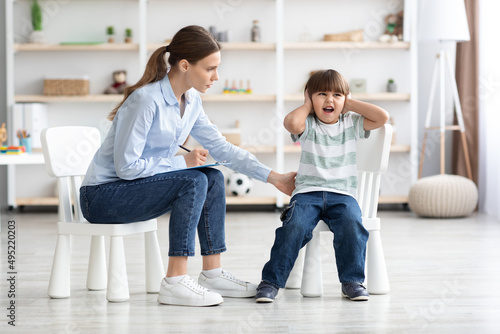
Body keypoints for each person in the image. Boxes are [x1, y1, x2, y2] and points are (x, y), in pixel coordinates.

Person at [79, 25, 296, 307]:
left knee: (213, 177)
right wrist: (181, 162)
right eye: (210, 69)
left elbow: (223, 149)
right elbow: (126, 168)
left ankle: (212, 272)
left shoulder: (191, 101)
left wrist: (273, 177)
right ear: (184, 65)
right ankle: (175, 281)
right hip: (102, 197)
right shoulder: (146, 101)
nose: (216, 77)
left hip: (132, 190)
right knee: (192, 180)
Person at [255, 69, 389, 303]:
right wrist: (306, 105)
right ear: (310, 98)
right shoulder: (308, 123)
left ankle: (352, 281)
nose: (330, 100)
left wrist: (350, 102)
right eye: (322, 94)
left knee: (352, 225)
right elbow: (290, 123)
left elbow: (382, 117)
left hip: (343, 195)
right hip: (308, 194)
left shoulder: (351, 123)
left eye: (337, 95)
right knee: (293, 227)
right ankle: (271, 282)